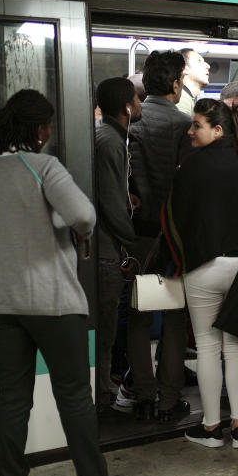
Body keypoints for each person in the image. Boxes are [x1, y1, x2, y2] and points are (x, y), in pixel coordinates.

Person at [0, 89, 127, 476]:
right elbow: (84, 216)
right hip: (51, 301)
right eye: (48, 126)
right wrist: (57, 222)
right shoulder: (44, 167)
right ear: (40, 130)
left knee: (11, 398)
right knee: (73, 395)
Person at [164, 98, 238, 448]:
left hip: (204, 267)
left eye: (196, 125)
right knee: (237, 347)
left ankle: (212, 428)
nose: (190, 131)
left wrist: (181, 263)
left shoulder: (192, 166)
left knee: (208, 347)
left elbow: (173, 219)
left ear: (217, 129)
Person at [127, 50, 192, 421]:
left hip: (140, 233)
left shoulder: (133, 124)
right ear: (174, 84)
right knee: (174, 317)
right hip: (175, 235)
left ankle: (144, 394)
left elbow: (134, 180)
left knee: (137, 313)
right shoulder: (185, 124)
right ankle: (169, 399)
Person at [93, 77, 141, 414]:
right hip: (106, 248)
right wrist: (133, 243)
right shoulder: (110, 141)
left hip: (107, 244)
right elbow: (109, 203)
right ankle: (102, 394)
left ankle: (103, 386)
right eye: (137, 101)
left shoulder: (108, 136)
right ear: (127, 107)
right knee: (106, 323)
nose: (141, 106)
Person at [175, 48, 210, 116]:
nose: (208, 66)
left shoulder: (186, 98)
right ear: (185, 69)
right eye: (199, 61)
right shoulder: (182, 101)